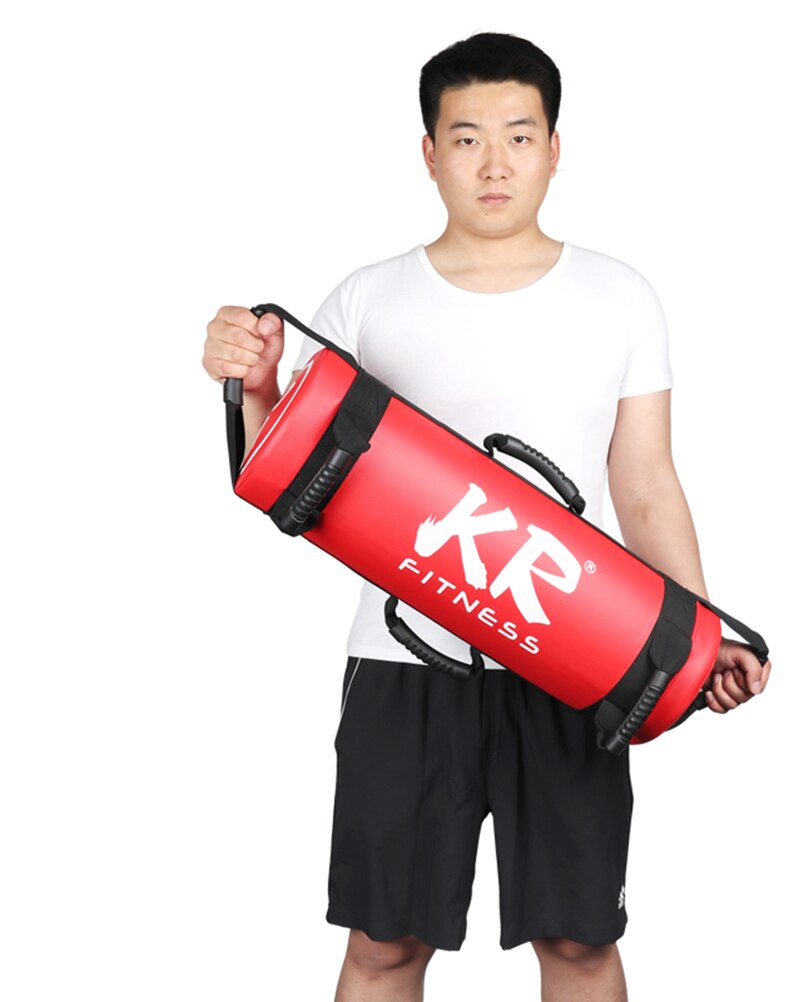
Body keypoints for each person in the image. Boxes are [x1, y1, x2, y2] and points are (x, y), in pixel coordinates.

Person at [203, 32, 771, 1002]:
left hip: (577, 654)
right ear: (429, 153)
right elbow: (289, 473)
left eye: (519, 135)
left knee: (580, 943)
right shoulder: (367, 299)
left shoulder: (620, 296)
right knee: (385, 946)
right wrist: (251, 384)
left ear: (556, 148)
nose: (495, 163)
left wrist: (699, 633)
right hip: (402, 665)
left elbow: (645, 483)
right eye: (467, 139)